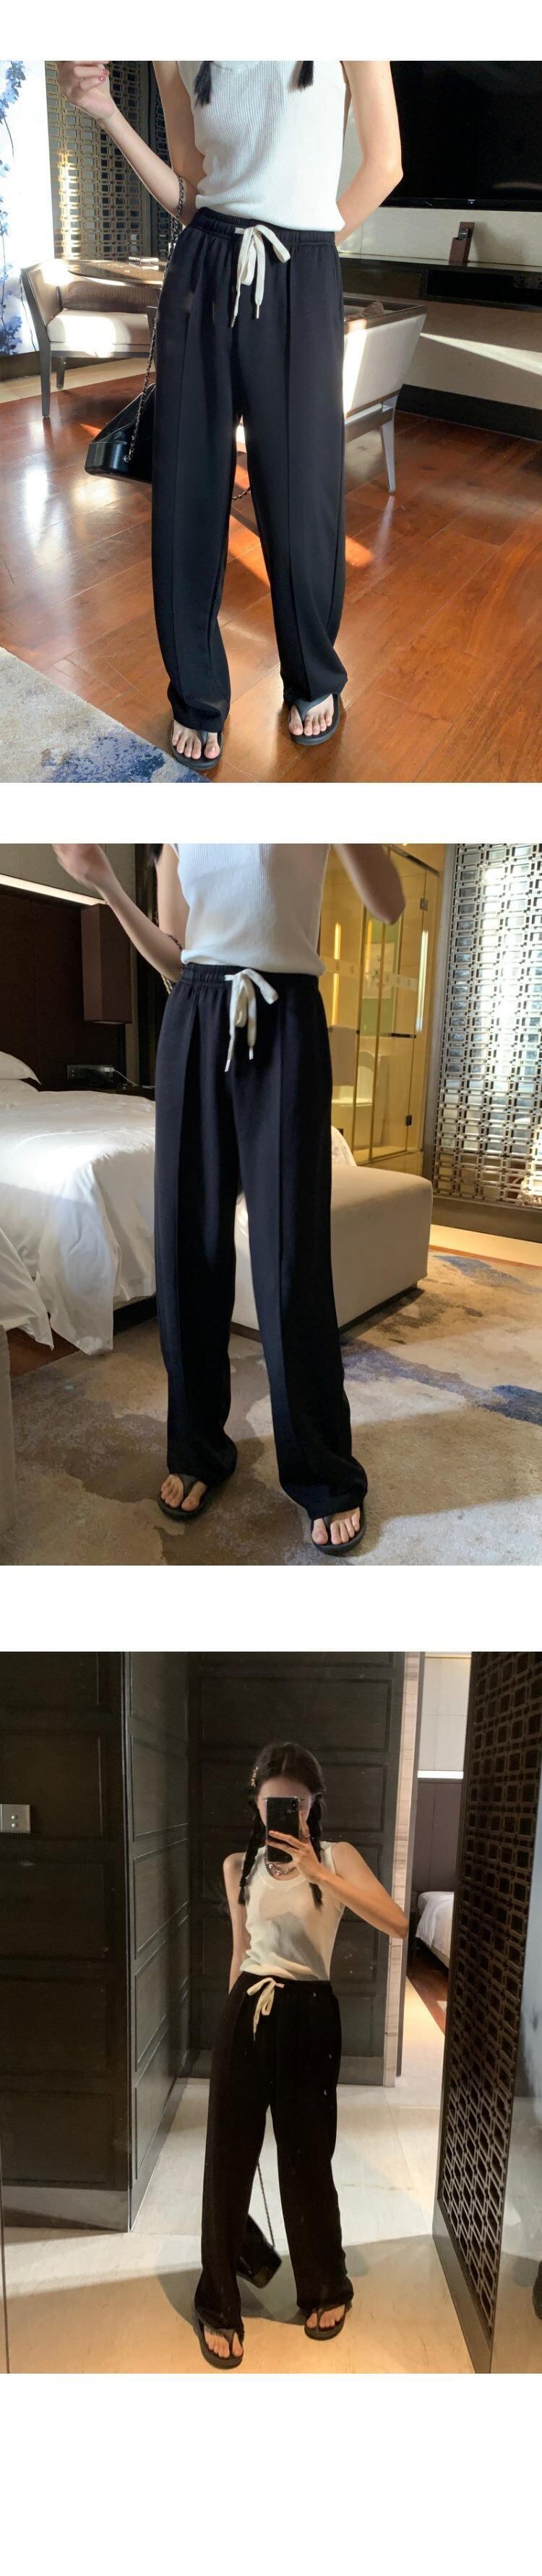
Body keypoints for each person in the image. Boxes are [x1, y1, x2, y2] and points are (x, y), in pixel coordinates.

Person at [53, 841, 405, 1555]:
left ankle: (321, 1469)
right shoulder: (181, 822)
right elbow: (174, 956)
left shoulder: (311, 804)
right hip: (195, 1015)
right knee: (190, 1249)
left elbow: (390, 905)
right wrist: (102, 883)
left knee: (290, 1261)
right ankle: (198, 1449)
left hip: (286, 1013)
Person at [55, 61, 403, 765]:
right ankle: (197, 694)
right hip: (204, 264)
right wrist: (106, 113)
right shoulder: (177, 42)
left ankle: (313, 675)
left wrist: (305, 251)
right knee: (188, 488)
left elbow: (386, 164)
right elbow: (191, 193)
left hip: (301, 263)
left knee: (302, 494)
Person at [194, 1740, 408, 2366]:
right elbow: (241, 1950)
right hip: (246, 2009)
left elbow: (397, 1923)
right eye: (274, 1805)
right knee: (227, 2159)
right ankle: (218, 2301)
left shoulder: (337, 1857)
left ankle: (323, 2284)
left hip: (310, 2014)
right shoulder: (239, 1866)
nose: (286, 1814)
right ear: (257, 1805)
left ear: (314, 1805)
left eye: (299, 1804)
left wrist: (320, 1873)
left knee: (307, 2157)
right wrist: (227, 2029)